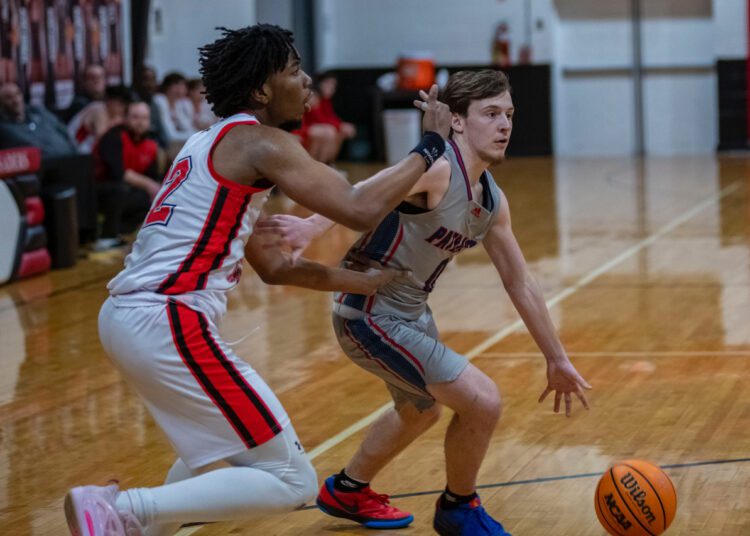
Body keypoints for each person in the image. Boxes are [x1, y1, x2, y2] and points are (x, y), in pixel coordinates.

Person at [63, 24, 451, 536]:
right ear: (262, 91)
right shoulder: (261, 142)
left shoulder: (207, 143)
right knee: (291, 480)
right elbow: (359, 209)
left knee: (210, 459)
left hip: (130, 318)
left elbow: (274, 267)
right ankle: (117, 507)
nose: (307, 81)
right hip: (167, 319)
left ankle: (132, 524)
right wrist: (430, 145)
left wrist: (364, 283)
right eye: (294, 70)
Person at [258, 70, 592, 536]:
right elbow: (365, 192)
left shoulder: (492, 201)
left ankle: (348, 489)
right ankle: (458, 507)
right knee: (483, 401)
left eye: (509, 114)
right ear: (457, 122)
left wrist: (556, 358)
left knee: (421, 410)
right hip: (368, 312)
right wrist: (310, 226)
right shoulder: (439, 168)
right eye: (491, 114)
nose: (505, 125)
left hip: (411, 312)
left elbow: (519, 281)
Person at [93, 100, 161, 250]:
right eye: (135, 117)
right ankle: (106, 237)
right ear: (125, 119)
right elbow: (118, 173)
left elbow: (153, 177)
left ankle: (123, 231)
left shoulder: (151, 144)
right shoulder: (113, 136)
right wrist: (149, 184)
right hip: (99, 190)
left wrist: (152, 187)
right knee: (119, 189)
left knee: (151, 197)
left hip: (128, 192)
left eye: (144, 118)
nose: (140, 122)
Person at [0, 81, 77, 159]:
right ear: (1, 103)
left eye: (17, 94)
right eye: (8, 97)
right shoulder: (4, 129)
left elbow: (62, 129)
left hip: (71, 157)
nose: (16, 100)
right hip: (46, 164)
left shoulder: (38, 112)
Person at [296, 71, 356, 164]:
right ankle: (313, 164)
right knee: (328, 132)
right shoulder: (313, 97)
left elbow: (329, 117)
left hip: (312, 127)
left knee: (338, 132)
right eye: (328, 84)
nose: (331, 88)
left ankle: (328, 164)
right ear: (319, 84)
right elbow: (319, 119)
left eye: (333, 86)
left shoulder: (325, 99)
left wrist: (341, 125)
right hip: (301, 128)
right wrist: (339, 125)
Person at [68, 84, 132, 154]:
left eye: (125, 105)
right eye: (120, 105)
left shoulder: (115, 114)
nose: (122, 109)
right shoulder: (99, 110)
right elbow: (103, 141)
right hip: (73, 149)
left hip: (84, 151)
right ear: (109, 100)